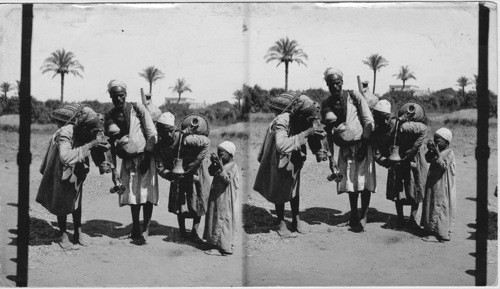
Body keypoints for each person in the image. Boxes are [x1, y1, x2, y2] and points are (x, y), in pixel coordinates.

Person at [36, 107, 110, 249]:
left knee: (77, 196)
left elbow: (96, 147)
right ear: (82, 127)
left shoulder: (91, 130)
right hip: (60, 164)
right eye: (90, 131)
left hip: (78, 164)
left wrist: (102, 163)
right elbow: (65, 157)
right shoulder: (65, 132)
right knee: (61, 196)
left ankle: (78, 232)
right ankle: (63, 235)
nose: (92, 134)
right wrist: (90, 145)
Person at [254, 94, 325, 237]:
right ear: (299, 115)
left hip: (295, 154)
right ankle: (281, 223)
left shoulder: (307, 118)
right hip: (278, 155)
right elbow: (281, 145)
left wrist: (319, 148)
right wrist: (305, 133)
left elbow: (312, 134)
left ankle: (296, 220)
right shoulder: (282, 120)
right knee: (279, 186)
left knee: (294, 185)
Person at [321, 68, 376, 232]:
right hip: (345, 148)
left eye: (337, 83)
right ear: (327, 85)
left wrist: (365, 143)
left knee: (364, 181)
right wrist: (330, 158)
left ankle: (363, 215)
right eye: (331, 84)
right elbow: (327, 134)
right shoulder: (326, 104)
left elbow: (368, 120)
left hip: (362, 143)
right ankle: (353, 215)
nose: (335, 87)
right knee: (351, 183)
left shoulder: (354, 97)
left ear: (342, 83)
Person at [104, 80, 158, 245]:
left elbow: (151, 133)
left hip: (145, 156)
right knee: (133, 195)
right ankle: (135, 228)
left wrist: (148, 157)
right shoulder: (110, 116)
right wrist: (113, 169)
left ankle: (146, 228)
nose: (119, 99)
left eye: (121, 95)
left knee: (147, 193)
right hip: (127, 161)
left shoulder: (137, 109)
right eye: (115, 96)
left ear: (125, 95)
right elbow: (110, 145)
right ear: (111, 97)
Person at [371, 99, 428, 230]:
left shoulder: (401, 125)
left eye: (386, 118)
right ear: (375, 118)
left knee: (415, 187)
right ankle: (401, 219)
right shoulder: (376, 134)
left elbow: (423, 129)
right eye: (380, 119)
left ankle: (413, 219)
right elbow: (377, 154)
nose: (385, 122)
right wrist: (387, 163)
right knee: (397, 190)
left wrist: (413, 149)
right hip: (395, 161)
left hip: (413, 158)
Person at [154, 112, 211, 242]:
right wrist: (169, 175)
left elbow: (207, 143)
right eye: (164, 132)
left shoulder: (185, 138)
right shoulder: (159, 146)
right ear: (159, 131)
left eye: (170, 131)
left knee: (198, 200)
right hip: (178, 173)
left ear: (174, 129)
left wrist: (196, 162)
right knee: (179, 203)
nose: (168, 135)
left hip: (195, 171)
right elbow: (159, 166)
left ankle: (195, 232)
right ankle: (182, 232)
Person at [203, 141, 240, 256]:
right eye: (218, 154)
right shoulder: (222, 163)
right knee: (215, 217)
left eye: (222, 154)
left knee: (223, 219)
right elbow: (211, 172)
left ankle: (223, 247)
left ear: (230, 155)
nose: (219, 157)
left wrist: (220, 166)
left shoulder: (232, 166)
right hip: (217, 197)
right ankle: (214, 243)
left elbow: (227, 179)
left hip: (226, 198)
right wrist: (214, 163)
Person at [421, 128, 456, 242]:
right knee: (431, 204)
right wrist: (431, 150)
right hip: (433, 183)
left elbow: (443, 165)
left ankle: (440, 233)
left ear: (446, 142)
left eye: (438, 141)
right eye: (434, 140)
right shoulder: (437, 150)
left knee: (439, 206)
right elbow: (427, 159)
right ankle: (430, 229)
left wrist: (436, 152)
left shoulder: (449, 153)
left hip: (442, 185)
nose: (436, 143)